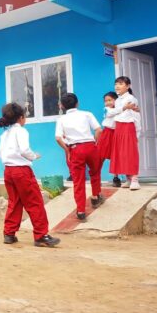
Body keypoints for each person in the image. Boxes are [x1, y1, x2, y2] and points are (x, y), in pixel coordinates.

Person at [0, 103, 60, 247]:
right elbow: (24, 150)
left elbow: (1, 153)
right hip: (21, 171)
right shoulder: (21, 131)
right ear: (21, 118)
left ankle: (9, 233)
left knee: (15, 202)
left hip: (8, 170)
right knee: (34, 201)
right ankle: (41, 235)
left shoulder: (4, 134)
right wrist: (33, 156)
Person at [55, 93, 104, 221]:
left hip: (75, 149)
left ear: (62, 106)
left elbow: (58, 138)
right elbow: (99, 130)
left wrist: (67, 150)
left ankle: (81, 211)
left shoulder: (61, 119)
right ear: (77, 103)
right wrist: (94, 142)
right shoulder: (87, 114)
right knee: (95, 172)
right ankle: (95, 196)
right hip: (90, 146)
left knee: (78, 181)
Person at [108, 76, 142, 190]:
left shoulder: (131, 99)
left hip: (128, 127)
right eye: (116, 84)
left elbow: (136, 116)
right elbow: (112, 114)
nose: (117, 86)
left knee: (130, 153)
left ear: (128, 86)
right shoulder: (117, 101)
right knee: (121, 153)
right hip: (119, 128)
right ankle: (128, 178)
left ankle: (135, 179)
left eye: (121, 83)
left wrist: (137, 132)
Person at [98, 92, 122, 187]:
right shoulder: (106, 109)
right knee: (100, 155)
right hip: (107, 133)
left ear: (116, 100)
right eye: (105, 101)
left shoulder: (119, 109)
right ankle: (96, 177)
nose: (107, 102)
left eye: (110, 100)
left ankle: (116, 177)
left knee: (115, 156)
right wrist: (123, 108)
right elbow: (112, 112)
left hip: (116, 134)